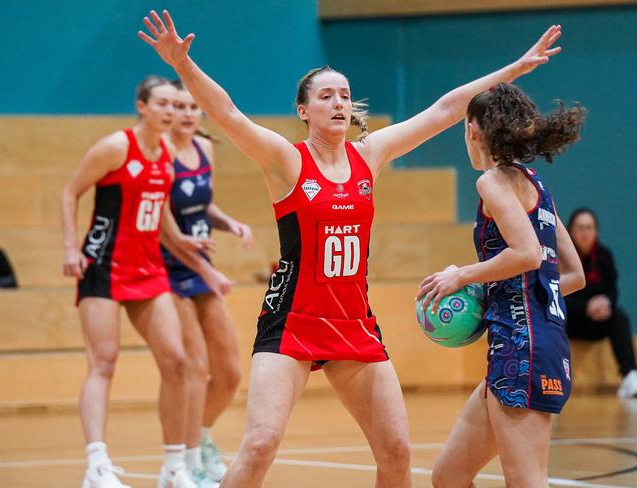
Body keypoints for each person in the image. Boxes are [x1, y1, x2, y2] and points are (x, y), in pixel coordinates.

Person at [139, 10, 563, 487]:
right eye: (325, 96)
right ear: (304, 111)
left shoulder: (370, 154)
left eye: (344, 95)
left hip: (352, 322)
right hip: (293, 321)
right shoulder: (285, 160)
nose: (338, 102)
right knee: (259, 447)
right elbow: (228, 113)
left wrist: (513, 69)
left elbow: (445, 110)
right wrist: (183, 65)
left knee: (397, 452)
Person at [61, 75, 232, 488]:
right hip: (103, 264)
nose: (172, 112)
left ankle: (174, 467)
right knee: (103, 362)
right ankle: (96, 465)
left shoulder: (168, 154)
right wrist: (71, 248)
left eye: (176, 105)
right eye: (164, 104)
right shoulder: (116, 147)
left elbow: (159, 219)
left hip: (148, 268)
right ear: (143, 106)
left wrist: (185, 246)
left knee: (176, 362)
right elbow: (70, 192)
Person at [418, 83, 586, 487]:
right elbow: (574, 274)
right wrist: (511, 296)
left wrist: (462, 276)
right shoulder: (535, 184)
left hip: (523, 350)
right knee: (449, 476)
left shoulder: (492, 182)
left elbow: (527, 253)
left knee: (525, 481)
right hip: (522, 344)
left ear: (474, 130)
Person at [163, 80, 253, 483]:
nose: (186, 113)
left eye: (192, 107)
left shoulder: (204, 148)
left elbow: (203, 202)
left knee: (230, 371)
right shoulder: (160, 154)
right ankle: (187, 459)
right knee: (195, 367)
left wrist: (229, 222)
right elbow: (165, 223)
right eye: (178, 106)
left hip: (201, 265)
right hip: (168, 266)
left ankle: (199, 438)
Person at [565, 208, 637, 398]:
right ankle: (553, 378)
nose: (585, 233)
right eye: (580, 228)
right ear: (571, 231)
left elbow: (612, 289)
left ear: (595, 231)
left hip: (596, 322)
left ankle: (630, 376)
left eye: (589, 228)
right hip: (569, 321)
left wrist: (605, 302)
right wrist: (585, 307)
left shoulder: (604, 256)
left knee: (619, 317)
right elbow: (557, 295)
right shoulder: (561, 257)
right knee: (551, 319)